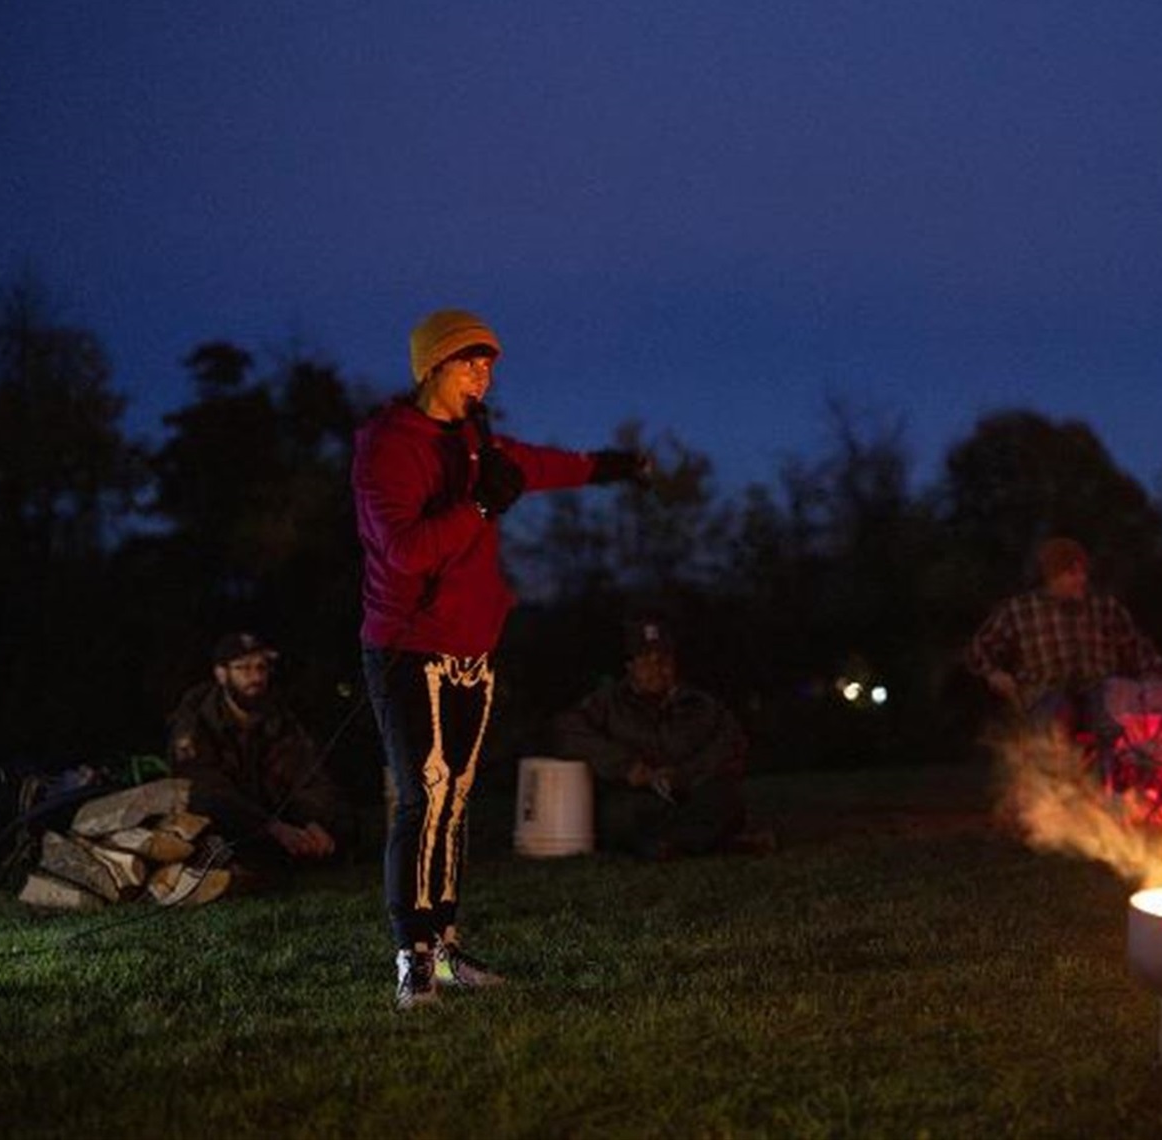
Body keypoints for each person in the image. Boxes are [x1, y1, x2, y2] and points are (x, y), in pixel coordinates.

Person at [353, 307, 650, 1010]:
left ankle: (448, 951)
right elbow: (405, 553)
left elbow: (536, 466)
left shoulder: (477, 442)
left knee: (454, 801)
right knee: (422, 799)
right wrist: (479, 510)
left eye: (489, 362)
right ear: (432, 368)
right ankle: (413, 960)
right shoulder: (389, 446)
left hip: (470, 646)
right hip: (409, 647)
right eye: (468, 361)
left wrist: (609, 468)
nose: (483, 373)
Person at [552, 615, 761, 860]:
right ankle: (702, 842)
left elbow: (731, 744)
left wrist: (683, 775)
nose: (657, 669)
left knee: (726, 800)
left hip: (688, 794)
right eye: (646, 662)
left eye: (663, 661)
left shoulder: (700, 704)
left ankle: (668, 844)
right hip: (637, 797)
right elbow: (567, 732)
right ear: (630, 667)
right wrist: (627, 767)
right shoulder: (607, 703)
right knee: (619, 815)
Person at [965, 537, 1162, 765]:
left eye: (1083, 572)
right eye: (1072, 574)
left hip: (1099, 688)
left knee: (1113, 722)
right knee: (1054, 723)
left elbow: (1136, 646)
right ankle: (1056, 790)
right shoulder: (1020, 611)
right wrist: (993, 673)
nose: (1081, 579)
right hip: (1044, 689)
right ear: (1053, 577)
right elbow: (979, 649)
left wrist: (1155, 676)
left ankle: (1110, 788)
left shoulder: (1103, 608)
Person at [165, 631, 355, 874]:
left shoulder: (277, 715)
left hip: (271, 812)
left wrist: (317, 822)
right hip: (230, 816)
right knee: (215, 818)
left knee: (343, 823)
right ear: (222, 674)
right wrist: (272, 827)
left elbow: (307, 774)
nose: (255, 677)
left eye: (261, 667)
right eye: (243, 668)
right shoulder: (196, 718)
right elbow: (203, 786)